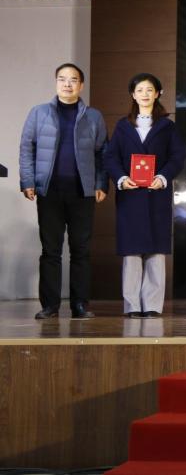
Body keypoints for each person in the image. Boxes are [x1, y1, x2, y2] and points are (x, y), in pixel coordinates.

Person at [19, 63, 108, 320]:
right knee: (51, 251)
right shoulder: (39, 113)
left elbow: (103, 152)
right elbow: (27, 148)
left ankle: (80, 305)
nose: (67, 84)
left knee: (81, 251)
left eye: (73, 79)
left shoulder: (94, 116)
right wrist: (28, 181)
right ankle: (50, 306)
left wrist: (101, 183)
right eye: (62, 79)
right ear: (56, 82)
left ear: (81, 85)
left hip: (82, 192)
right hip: (50, 191)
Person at [103, 73, 186, 318]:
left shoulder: (167, 126)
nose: (145, 94)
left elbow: (177, 157)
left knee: (155, 251)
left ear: (158, 93)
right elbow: (111, 157)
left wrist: (163, 177)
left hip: (156, 195)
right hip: (130, 196)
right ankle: (132, 305)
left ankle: (151, 305)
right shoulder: (123, 126)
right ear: (133, 94)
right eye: (140, 90)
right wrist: (121, 178)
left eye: (150, 90)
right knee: (131, 251)